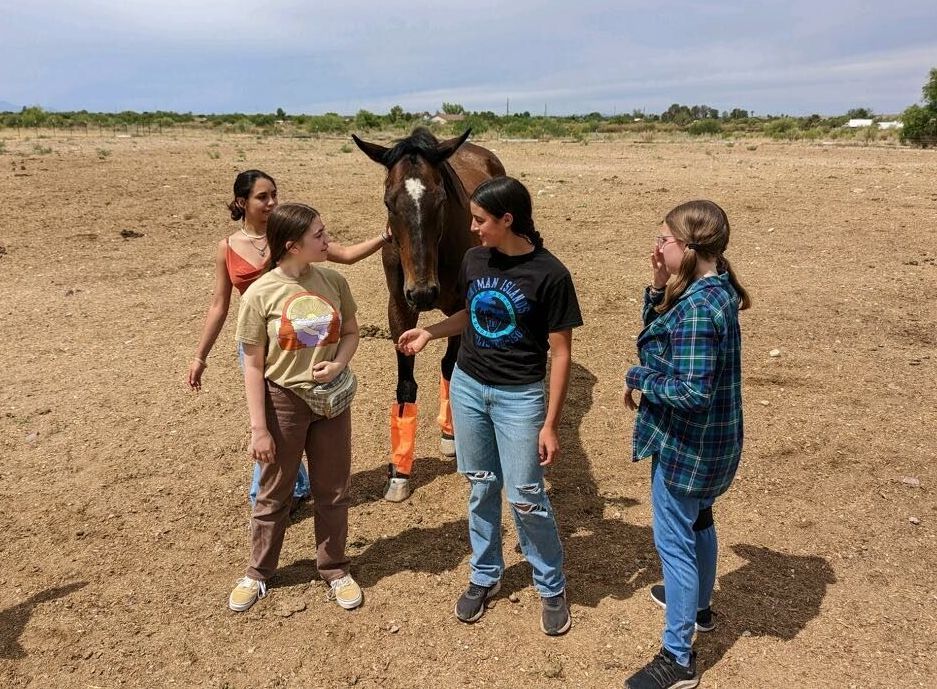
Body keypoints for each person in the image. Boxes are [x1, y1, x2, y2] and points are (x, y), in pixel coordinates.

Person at [397, 176, 582, 636]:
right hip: (468, 386)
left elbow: (560, 354)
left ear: (507, 220)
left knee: (525, 496)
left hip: (519, 397)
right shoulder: (474, 259)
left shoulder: (551, 274)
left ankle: (550, 582)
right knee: (480, 486)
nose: (473, 228)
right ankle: (485, 574)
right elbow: (468, 314)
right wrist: (431, 333)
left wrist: (551, 423)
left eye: (480, 220)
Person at [186, 170, 389, 508]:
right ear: (242, 202)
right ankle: (280, 489)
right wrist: (200, 356)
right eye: (262, 197)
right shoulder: (227, 247)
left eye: (274, 195)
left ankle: (275, 492)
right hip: (256, 343)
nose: (271, 202)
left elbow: (348, 255)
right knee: (268, 420)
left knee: (291, 419)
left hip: (297, 341)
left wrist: (385, 235)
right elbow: (219, 305)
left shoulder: (294, 237)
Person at [622, 200, 751, 689]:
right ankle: (700, 608)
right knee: (701, 520)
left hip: (687, 449)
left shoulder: (697, 308)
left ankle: (677, 659)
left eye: (664, 240)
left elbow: (692, 393)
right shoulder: (713, 292)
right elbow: (659, 334)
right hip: (718, 445)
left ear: (691, 247)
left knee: (674, 547)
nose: (656, 247)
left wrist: (638, 380)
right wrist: (656, 286)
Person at [227, 202, 363, 612]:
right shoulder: (260, 294)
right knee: (273, 492)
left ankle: (335, 568)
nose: (328, 241)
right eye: (319, 235)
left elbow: (352, 331)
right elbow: (251, 363)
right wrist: (259, 428)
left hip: (330, 402)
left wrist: (339, 362)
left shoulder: (333, 281)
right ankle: (258, 571)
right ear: (292, 245)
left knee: (333, 489)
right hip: (283, 400)